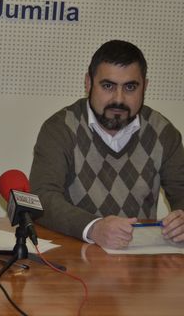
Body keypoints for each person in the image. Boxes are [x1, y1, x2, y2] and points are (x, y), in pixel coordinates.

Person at [30, 40, 184, 249]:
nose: (118, 99)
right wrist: (93, 227)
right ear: (88, 83)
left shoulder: (163, 132)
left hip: (140, 256)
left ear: (145, 87)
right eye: (108, 86)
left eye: (130, 87)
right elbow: (42, 197)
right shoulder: (60, 129)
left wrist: (181, 219)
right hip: (74, 253)